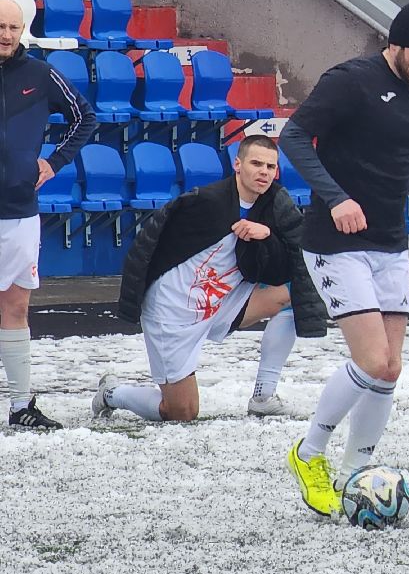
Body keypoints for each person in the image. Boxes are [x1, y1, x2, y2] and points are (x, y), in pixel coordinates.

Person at [277, 1, 409, 517]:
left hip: (389, 242)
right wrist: (337, 198)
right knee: (372, 360)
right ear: (397, 43)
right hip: (336, 243)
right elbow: (293, 136)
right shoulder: (350, 80)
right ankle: (309, 453)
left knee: (390, 368)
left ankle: (358, 472)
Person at [97, 135, 325, 422]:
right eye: (256, 163)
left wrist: (266, 236)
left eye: (270, 166)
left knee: (293, 293)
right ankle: (112, 393)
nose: (264, 172)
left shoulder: (275, 204)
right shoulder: (205, 201)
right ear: (238, 164)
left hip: (222, 302)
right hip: (174, 312)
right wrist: (135, 297)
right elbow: (148, 243)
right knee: (181, 412)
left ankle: (263, 396)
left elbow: (290, 262)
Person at [0, 0, 96, 428]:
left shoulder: (39, 74)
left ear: (22, 31)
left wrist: (54, 162)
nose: (5, 36)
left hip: (19, 211)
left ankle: (21, 407)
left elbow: (85, 117)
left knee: (16, 306)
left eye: (12, 28)